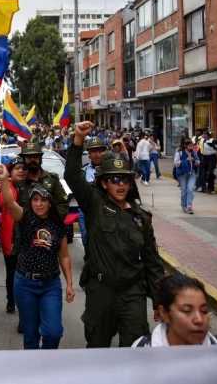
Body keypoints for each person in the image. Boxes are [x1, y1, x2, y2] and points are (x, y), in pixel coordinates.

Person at [66, 121, 164, 348]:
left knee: (135, 349)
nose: (120, 184)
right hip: (101, 291)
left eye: (125, 179)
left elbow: (152, 261)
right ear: (103, 183)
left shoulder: (142, 217)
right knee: (98, 350)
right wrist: (78, 139)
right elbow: (72, 175)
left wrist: (160, 299)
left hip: (132, 293)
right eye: (114, 179)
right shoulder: (94, 204)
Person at [0, 171, 74, 349]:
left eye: (43, 200)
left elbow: (64, 255)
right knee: (30, 334)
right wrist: (3, 180)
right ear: (30, 202)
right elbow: (9, 203)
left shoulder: (58, 224)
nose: (39, 204)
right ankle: (33, 369)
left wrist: (69, 284)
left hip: (51, 285)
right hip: (25, 284)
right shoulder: (25, 217)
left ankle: (46, 361)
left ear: (50, 203)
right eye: (35, 200)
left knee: (53, 332)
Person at [132, 275, 217, 347]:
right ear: (164, 313)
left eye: (204, 311)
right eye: (187, 311)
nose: (199, 320)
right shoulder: (142, 350)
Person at [0, 157, 26, 317]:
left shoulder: (32, 188)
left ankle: (23, 311)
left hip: (28, 240)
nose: (20, 170)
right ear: (10, 172)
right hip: (10, 239)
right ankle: (10, 300)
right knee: (12, 273)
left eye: (23, 168)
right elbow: (2, 204)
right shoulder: (4, 189)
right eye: (16, 168)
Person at [80, 137, 108, 247]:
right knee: (87, 240)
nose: (97, 155)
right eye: (93, 152)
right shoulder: (84, 171)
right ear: (89, 154)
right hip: (87, 210)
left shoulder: (111, 169)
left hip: (106, 209)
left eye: (100, 151)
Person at [174, 139, 200, 214]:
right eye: (190, 145)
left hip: (192, 173)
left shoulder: (194, 153)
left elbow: (198, 162)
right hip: (182, 174)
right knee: (184, 191)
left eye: (192, 145)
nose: (191, 147)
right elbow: (176, 163)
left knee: (190, 189)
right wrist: (185, 161)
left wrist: (193, 161)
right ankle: (183, 206)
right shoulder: (179, 153)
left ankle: (189, 206)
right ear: (186, 146)